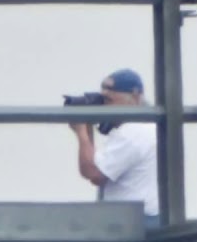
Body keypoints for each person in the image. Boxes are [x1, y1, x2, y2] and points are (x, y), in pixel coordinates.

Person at [69, 69, 160, 230]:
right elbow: (95, 166)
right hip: (144, 217)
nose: (104, 107)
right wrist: (87, 125)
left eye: (108, 100)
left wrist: (81, 131)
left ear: (135, 96)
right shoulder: (149, 125)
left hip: (134, 224)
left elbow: (93, 173)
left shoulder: (133, 131)